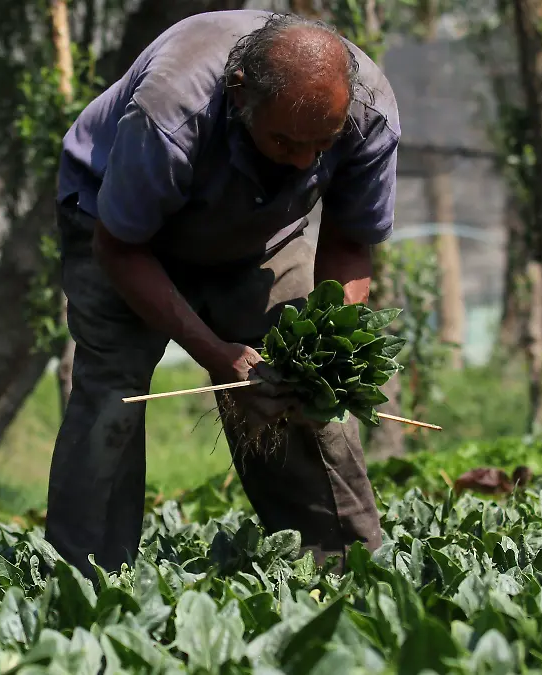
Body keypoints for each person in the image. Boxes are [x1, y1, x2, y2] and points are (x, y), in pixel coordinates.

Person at [46, 8, 401, 579]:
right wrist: (218, 354)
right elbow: (121, 249)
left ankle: (344, 569)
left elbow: (350, 239)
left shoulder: (368, 112)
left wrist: (325, 348)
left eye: (322, 144)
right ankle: (86, 579)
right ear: (241, 96)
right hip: (117, 225)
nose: (307, 160)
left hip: (261, 231)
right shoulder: (171, 109)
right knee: (113, 392)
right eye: (286, 141)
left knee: (300, 392)